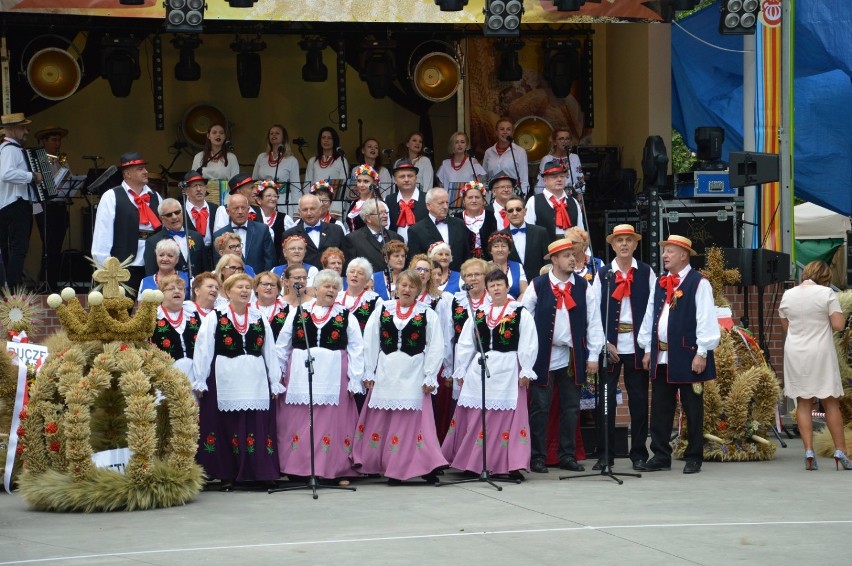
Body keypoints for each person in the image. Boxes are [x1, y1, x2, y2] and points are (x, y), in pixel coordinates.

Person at [353, 269, 448, 483]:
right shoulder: (382, 310)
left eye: (412, 286)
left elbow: (435, 346)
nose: (407, 289)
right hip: (386, 371)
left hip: (413, 372)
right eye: (403, 285)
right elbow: (370, 341)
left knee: (414, 424)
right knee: (385, 421)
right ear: (396, 287)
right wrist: (369, 370)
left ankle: (424, 467)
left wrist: (430, 375)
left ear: (418, 290)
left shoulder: (427, 314)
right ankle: (389, 465)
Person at [192, 272, 284, 489]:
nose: (244, 291)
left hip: (255, 378)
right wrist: (201, 378)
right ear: (227, 292)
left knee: (256, 423)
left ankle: (260, 471)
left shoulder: (258, 317)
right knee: (227, 425)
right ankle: (227, 473)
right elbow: (203, 349)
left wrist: (274, 380)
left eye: (247, 287)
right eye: (239, 287)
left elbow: (269, 349)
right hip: (226, 377)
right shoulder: (215, 317)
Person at [637, 235, 720, 475]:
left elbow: (705, 319)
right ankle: (661, 455)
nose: (665, 255)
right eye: (665, 252)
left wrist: (702, 352)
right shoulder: (662, 282)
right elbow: (650, 316)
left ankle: (694, 456)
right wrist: (647, 349)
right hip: (661, 356)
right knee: (661, 407)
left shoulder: (698, 283)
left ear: (684, 254)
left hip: (687, 354)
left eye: (670, 251)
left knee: (692, 407)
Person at [443, 269, 538, 478]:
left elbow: (528, 342)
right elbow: (466, 343)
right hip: (480, 368)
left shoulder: (519, 312)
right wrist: (461, 368)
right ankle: (472, 462)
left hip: (509, 368)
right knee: (477, 417)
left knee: (506, 419)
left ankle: (510, 465)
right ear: (487, 289)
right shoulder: (478, 314)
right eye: (492, 285)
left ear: (506, 287)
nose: (496, 288)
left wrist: (526, 368)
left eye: (499, 284)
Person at [521, 238, 604, 473]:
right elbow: (524, 322)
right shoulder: (538, 285)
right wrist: (525, 357)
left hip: (571, 355)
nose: (572, 259)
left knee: (570, 408)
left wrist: (593, 355)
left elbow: (594, 322)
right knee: (540, 407)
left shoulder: (582, 286)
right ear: (554, 260)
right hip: (543, 355)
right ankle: (537, 456)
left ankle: (567, 455)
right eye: (567, 255)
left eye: (573, 255)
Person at [275, 269, 366, 483]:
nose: (331, 290)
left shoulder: (345, 315)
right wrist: (277, 375)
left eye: (335, 287)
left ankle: (333, 470)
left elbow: (356, 349)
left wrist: (355, 379)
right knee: (298, 423)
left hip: (334, 377)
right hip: (299, 376)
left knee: (330, 424)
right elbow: (283, 345)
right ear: (315, 289)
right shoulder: (299, 311)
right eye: (326, 286)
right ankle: (297, 468)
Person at [594, 224, 655, 471]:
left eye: (628, 240)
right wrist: (603, 342)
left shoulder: (647, 272)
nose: (624, 244)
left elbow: (653, 311)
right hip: (610, 346)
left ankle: (638, 453)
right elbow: (594, 312)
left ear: (636, 244)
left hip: (637, 347)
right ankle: (605, 454)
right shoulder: (603, 274)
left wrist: (648, 346)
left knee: (639, 401)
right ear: (612, 244)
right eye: (619, 240)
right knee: (606, 401)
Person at [779, 260, 851, 471]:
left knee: (803, 402)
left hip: (795, 352)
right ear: (825, 278)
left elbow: (787, 327)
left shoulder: (788, 295)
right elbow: (838, 325)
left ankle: (809, 451)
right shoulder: (826, 294)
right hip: (820, 352)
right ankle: (841, 451)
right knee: (830, 402)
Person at [92, 151, 162, 293]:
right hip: (122, 267)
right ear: (127, 174)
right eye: (140, 169)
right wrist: (106, 271)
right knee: (119, 313)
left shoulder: (156, 197)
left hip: (152, 265)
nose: (146, 172)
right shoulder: (111, 197)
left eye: (145, 168)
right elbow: (102, 235)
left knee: (152, 313)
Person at [410, 254, 454, 440]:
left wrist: (446, 364)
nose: (421, 273)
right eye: (418, 269)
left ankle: (428, 448)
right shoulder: (399, 297)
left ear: (431, 275)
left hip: (430, 358)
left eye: (426, 270)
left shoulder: (439, 301)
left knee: (430, 404)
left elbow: (446, 334)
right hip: (407, 360)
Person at [0, 112, 40, 288]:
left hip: (12, 203)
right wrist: (31, 176)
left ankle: (9, 286)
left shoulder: (10, 149)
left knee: (13, 248)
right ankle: (13, 288)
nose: (26, 131)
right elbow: (7, 174)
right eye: (22, 127)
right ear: (11, 129)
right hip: (16, 204)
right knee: (19, 248)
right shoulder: (10, 150)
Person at [33, 125, 71, 289]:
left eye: (59, 140)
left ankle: (51, 281)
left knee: (57, 246)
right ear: (44, 141)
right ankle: (46, 281)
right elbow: (44, 184)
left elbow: (69, 180)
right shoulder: (39, 158)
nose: (58, 143)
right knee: (49, 246)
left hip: (61, 206)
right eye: (54, 140)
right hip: (46, 207)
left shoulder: (61, 158)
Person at [152, 274, 201, 384]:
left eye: (180, 289)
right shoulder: (153, 317)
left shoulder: (193, 314)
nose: (177, 291)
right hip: (165, 377)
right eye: (171, 288)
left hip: (195, 375)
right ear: (161, 294)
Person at [407, 187, 470, 272]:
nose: (445, 206)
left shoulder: (459, 224)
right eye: (440, 203)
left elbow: (466, 254)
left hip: (457, 277)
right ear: (428, 205)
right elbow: (414, 262)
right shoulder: (416, 230)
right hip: (431, 279)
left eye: (447, 203)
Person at [211, 192, 275, 274]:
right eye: (236, 208)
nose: (240, 211)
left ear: (248, 210)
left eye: (243, 208)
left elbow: (270, 260)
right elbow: (219, 265)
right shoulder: (219, 235)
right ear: (228, 211)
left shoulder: (262, 230)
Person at [143, 198, 206, 277]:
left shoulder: (196, 237)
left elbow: (205, 268)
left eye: (177, 212)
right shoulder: (153, 242)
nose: (174, 217)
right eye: (169, 215)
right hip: (171, 287)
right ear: (161, 218)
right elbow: (151, 275)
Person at [282, 193, 349, 268]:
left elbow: (345, 258)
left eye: (312, 209)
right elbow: (286, 262)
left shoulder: (336, 230)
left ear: (320, 209)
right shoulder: (290, 234)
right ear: (300, 212)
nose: (309, 213)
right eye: (305, 209)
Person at [524, 160, 585, 242]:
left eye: (562, 176)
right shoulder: (533, 201)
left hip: (571, 252)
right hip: (544, 252)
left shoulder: (573, 201)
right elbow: (529, 233)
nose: (559, 179)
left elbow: (580, 232)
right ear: (544, 180)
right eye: (554, 177)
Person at [346, 198, 403, 274]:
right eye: (381, 213)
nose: (385, 216)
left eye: (386, 212)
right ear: (368, 218)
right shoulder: (353, 239)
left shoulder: (396, 237)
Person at [504, 195, 550, 281]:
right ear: (506, 214)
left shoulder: (540, 232)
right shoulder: (501, 236)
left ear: (525, 211)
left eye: (518, 209)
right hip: (512, 287)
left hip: (539, 283)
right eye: (510, 210)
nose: (514, 213)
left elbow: (547, 261)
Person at [251, 124, 301, 202]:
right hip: (263, 201)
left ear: (284, 138)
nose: (274, 135)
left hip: (283, 201)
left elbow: (295, 188)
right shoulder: (261, 157)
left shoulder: (291, 160)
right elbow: (254, 182)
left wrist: (296, 211)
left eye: (277, 133)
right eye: (271, 133)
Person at [482, 117, 529, 197]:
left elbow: (524, 180)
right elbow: (484, 178)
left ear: (512, 132)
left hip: (513, 195)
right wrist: (484, 196)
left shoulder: (519, 152)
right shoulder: (489, 152)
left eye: (508, 129)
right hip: (492, 195)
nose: (505, 132)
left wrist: (521, 197)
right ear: (496, 132)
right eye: (502, 129)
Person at [384, 159, 428, 243]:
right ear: (395, 180)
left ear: (416, 178)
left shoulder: (427, 198)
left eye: (410, 176)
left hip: (423, 251)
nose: (406, 179)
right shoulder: (389, 200)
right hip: (396, 252)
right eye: (402, 176)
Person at [181, 170, 219, 266]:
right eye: (194, 186)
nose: (199, 189)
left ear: (206, 188)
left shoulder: (215, 208)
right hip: (190, 258)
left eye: (201, 185)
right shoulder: (179, 211)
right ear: (186, 190)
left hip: (211, 258)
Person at [255, 179, 295, 264]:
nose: (273, 198)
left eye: (275, 196)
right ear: (259, 200)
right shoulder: (253, 217)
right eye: (269, 196)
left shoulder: (284, 219)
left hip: (279, 263)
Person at [339, 257, 384, 333]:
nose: (355, 275)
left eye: (360, 273)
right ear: (346, 274)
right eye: (352, 271)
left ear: (367, 280)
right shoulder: (337, 297)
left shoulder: (374, 299)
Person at [454, 181, 497, 260]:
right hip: (464, 264)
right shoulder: (456, 218)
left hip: (490, 263)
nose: (474, 201)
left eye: (477, 197)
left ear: (483, 200)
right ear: (464, 201)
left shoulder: (492, 216)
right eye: (470, 197)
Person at [534, 128, 584, 195]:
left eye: (567, 139)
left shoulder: (574, 158)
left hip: (571, 196)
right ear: (554, 142)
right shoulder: (547, 159)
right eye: (561, 139)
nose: (564, 141)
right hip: (551, 197)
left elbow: (579, 179)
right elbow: (540, 182)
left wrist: (579, 195)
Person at [487, 232, 527, 299]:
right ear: (490, 251)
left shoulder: (518, 266)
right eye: (496, 246)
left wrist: (515, 307)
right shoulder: (483, 267)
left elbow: (524, 292)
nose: (500, 250)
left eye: (503, 246)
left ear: (509, 250)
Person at [252, 271, 289, 341]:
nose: (269, 287)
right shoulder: (248, 309)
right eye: (265, 284)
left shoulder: (289, 309)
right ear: (256, 288)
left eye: (273, 285)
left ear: (278, 290)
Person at [346, 164, 381, 233]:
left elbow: (382, 230)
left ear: (374, 183)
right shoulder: (355, 203)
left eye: (366, 181)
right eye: (359, 181)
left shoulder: (378, 204)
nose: (361, 185)